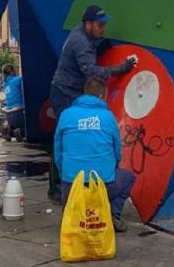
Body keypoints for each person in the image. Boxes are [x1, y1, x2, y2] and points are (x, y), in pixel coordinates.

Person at [48, 5, 137, 199]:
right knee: (64, 136)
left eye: (104, 25)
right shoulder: (81, 42)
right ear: (88, 25)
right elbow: (92, 72)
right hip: (65, 92)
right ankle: (58, 187)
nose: (103, 29)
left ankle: (68, 181)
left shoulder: (84, 36)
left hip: (71, 90)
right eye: (99, 25)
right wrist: (119, 69)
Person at [54, 76, 136, 232]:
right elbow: (117, 153)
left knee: (72, 220)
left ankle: (73, 213)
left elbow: (58, 152)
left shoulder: (66, 114)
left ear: (84, 93)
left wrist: (65, 175)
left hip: (71, 187)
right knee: (128, 178)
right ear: (102, 96)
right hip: (102, 185)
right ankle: (112, 215)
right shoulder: (108, 117)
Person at [1, 64, 25, 141]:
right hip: (19, 111)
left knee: (14, 126)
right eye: (14, 70)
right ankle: (21, 132)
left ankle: (8, 131)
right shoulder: (18, 80)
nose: (16, 71)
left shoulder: (4, 85)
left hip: (9, 114)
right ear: (11, 71)